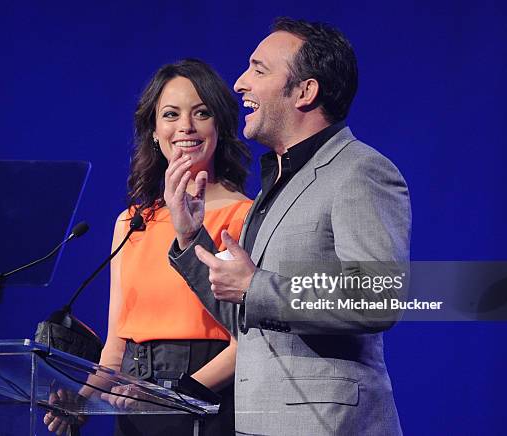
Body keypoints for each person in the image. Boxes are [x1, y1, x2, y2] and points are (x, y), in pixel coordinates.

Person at [167, 18, 411, 435]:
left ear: (305, 91)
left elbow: (380, 296)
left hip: (327, 425)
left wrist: (257, 286)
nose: (240, 83)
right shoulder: (277, 184)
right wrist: (191, 236)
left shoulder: (360, 171)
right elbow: (247, 314)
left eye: (259, 70)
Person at [45, 59, 252, 435]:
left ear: (219, 125)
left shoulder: (247, 217)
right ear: (154, 132)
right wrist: (82, 401)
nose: (185, 127)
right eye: (170, 114)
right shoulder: (131, 222)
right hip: (135, 402)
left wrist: (172, 396)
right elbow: (115, 349)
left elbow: (250, 343)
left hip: (210, 404)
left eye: (201, 113)